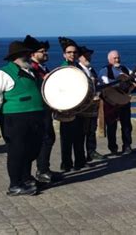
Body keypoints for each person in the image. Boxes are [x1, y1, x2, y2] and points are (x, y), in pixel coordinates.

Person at [0, 41, 45, 196]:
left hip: (34, 117)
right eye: (25, 54)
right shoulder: (2, 74)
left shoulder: (30, 72)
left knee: (32, 149)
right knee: (17, 152)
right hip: (15, 119)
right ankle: (15, 185)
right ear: (16, 57)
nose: (29, 56)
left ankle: (25, 178)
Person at [24, 35, 58, 183]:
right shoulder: (32, 69)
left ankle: (44, 169)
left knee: (48, 138)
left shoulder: (42, 68)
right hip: (37, 110)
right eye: (42, 51)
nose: (46, 53)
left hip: (45, 109)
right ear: (33, 54)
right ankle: (41, 171)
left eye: (46, 51)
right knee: (44, 139)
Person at [99, 50, 136, 155]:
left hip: (123, 100)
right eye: (114, 58)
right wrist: (119, 84)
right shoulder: (105, 70)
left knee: (127, 125)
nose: (117, 59)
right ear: (109, 59)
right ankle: (113, 148)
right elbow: (104, 82)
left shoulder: (124, 69)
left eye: (118, 57)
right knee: (111, 125)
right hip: (111, 102)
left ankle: (127, 146)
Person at [58, 37, 86, 171]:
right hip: (67, 107)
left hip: (79, 106)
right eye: (69, 52)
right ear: (64, 54)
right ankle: (67, 163)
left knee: (79, 136)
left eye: (74, 52)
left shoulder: (78, 67)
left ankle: (80, 161)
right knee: (67, 138)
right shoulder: (63, 68)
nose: (72, 54)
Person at [77, 46, 105, 161]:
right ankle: (81, 156)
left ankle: (91, 151)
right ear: (80, 57)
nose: (88, 57)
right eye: (86, 55)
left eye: (89, 55)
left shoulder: (91, 69)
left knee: (91, 129)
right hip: (83, 105)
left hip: (93, 104)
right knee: (82, 131)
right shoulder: (77, 69)